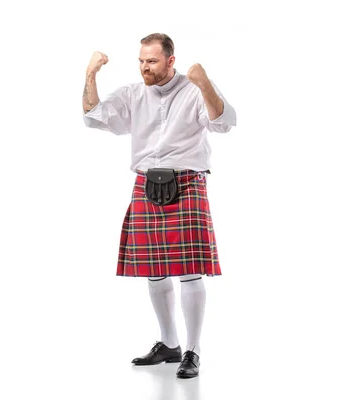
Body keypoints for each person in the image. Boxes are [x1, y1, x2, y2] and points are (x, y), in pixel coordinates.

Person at [82, 33, 237, 379]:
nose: (144, 68)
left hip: (187, 183)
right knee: (153, 269)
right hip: (146, 184)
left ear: (170, 60)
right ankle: (169, 343)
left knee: (189, 270)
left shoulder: (195, 89)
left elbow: (224, 122)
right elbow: (94, 116)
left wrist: (205, 82)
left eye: (151, 61)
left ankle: (193, 350)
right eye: (140, 61)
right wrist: (91, 74)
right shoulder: (133, 93)